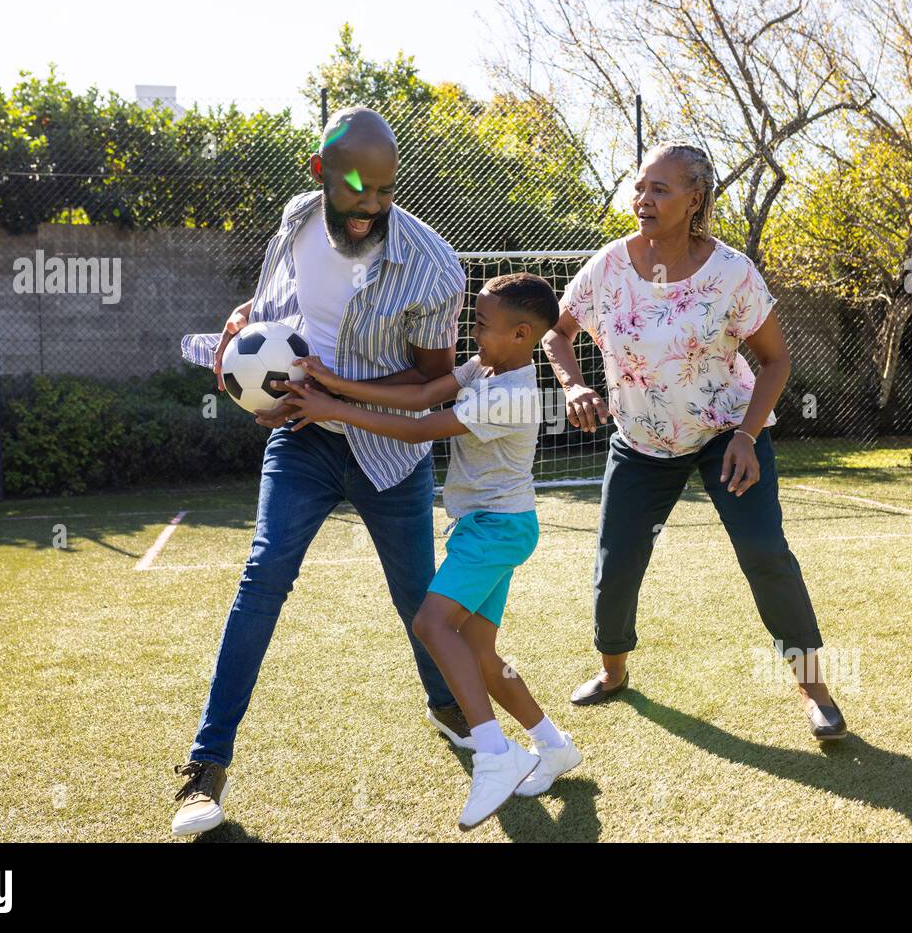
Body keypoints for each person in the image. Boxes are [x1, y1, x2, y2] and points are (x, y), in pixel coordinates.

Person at [171, 107, 478, 838]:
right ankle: (205, 765)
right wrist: (244, 343)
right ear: (318, 174)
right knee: (265, 571)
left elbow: (436, 381)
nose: (372, 205)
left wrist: (338, 387)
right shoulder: (294, 220)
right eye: (355, 188)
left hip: (387, 451)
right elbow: (270, 310)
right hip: (303, 441)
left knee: (417, 593)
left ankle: (448, 706)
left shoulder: (434, 268)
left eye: (386, 189)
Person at [541, 141, 848, 740]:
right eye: (639, 186)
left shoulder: (732, 273)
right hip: (640, 443)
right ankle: (613, 673)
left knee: (765, 553)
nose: (642, 199)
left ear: (694, 199)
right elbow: (557, 335)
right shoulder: (607, 266)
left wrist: (747, 434)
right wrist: (575, 387)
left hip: (726, 435)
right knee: (617, 562)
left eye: (659, 189)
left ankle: (817, 693)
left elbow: (776, 362)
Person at [284, 273, 583, 830]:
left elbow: (420, 430)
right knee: (482, 655)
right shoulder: (487, 367)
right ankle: (552, 743)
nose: (473, 332)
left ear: (521, 334)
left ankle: (495, 753)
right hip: (490, 526)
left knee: (430, 623)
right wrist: (336, 385)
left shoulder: (511, 395)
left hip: (497, 528)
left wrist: (334, 411)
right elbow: (424, 393)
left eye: (482, 325)